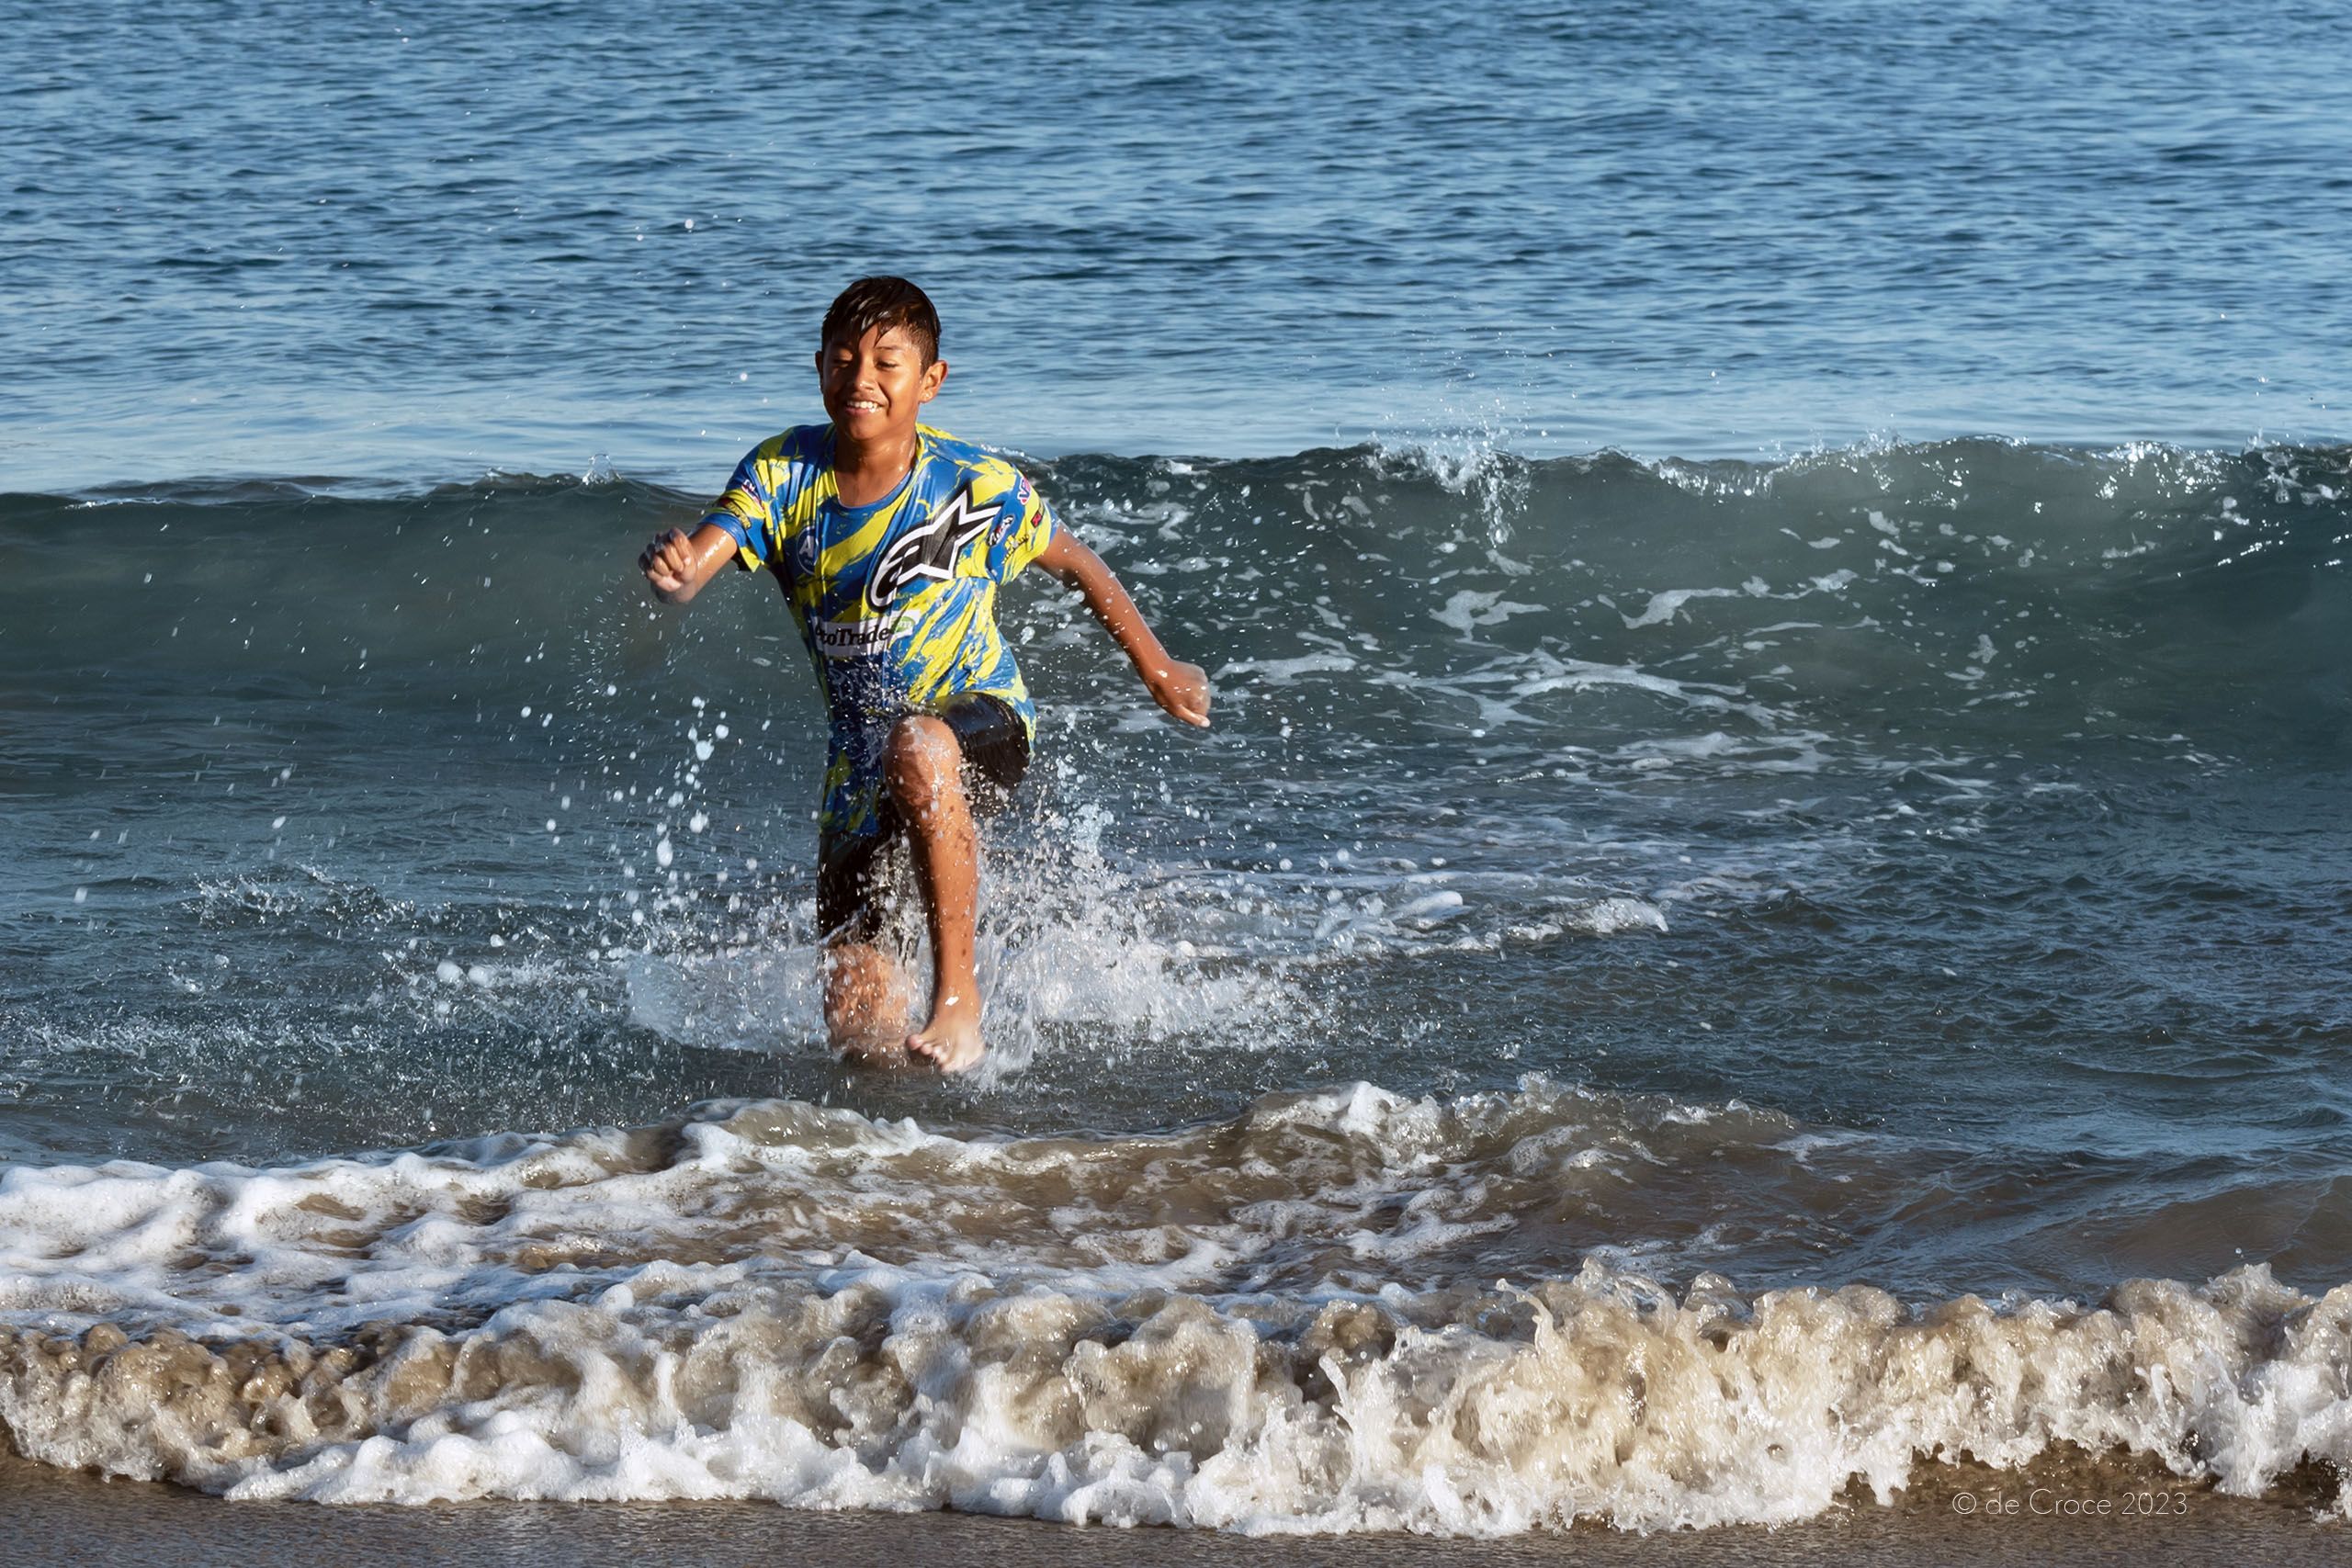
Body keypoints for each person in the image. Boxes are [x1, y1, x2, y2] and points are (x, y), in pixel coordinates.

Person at [637, 276, 1210, 1073]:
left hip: (983, 720)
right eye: (843, 358)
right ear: (818, 367)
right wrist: (678, 570)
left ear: (930, 381)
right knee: (862, 1047)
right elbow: (706, 555)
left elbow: (1078, 563)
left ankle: (960, 1000)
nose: (860, 379)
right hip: (857, 771)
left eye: (886, 362)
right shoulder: (781, 474)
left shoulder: (974, 487)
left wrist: (1158, 665)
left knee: (920, 747)